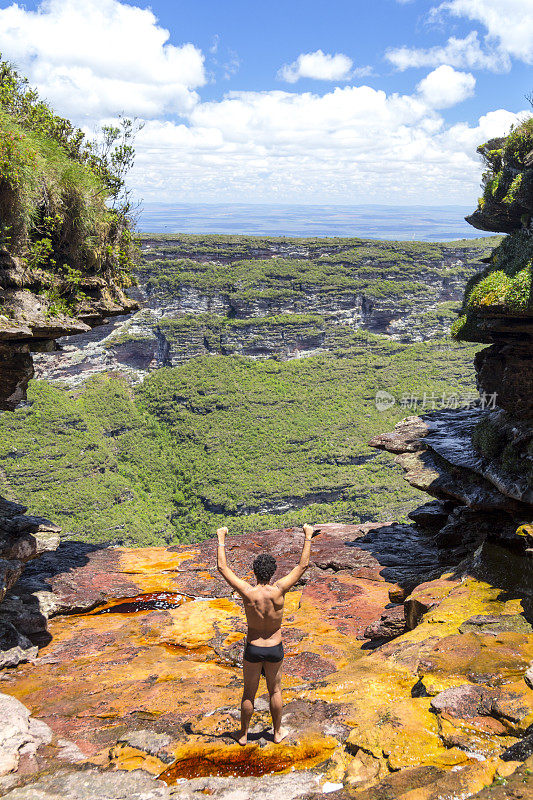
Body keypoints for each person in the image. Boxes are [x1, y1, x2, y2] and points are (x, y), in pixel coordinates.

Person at [216, 523, 316, 745]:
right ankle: (277, 733)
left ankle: (243, 735)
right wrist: (308, 536)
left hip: (253, 648)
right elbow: (303, 565)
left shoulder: (247, 592)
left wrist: (221, 538)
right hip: (274, 647)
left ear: (254, 572)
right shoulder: (279, 590)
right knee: (275, 691)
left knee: (248, 694)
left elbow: (223, 569)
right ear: (272, 572)